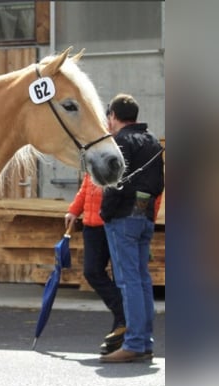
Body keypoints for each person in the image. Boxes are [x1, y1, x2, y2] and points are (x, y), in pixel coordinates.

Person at [99, 93, 164, 363]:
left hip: (122, 218)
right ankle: (144, 340)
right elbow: (159, 182)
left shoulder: (120, 141)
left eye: (109, 117)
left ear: (113, 116)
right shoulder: (151, 141)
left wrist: (106, 212)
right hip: (144, 216)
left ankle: (135, 343)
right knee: (142, 280)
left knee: (128, 282)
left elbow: (114, 181)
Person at [65, 173, 126, 355]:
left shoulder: (118, 151)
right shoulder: (96, 152)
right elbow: (86, 186)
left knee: (119, 278)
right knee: (92, 272)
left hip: (113, 222)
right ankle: (124, 315)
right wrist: (74, 210)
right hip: (92, 225)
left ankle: (118, 336)